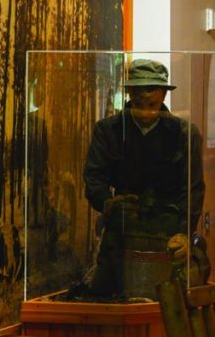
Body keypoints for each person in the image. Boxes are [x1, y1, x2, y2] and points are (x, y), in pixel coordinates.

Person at [82, 58, 206, 296]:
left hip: (167, 232)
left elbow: (193, 188)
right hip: (122, 229)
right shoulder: (108, 130)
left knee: (169, 301)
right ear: (129, 93)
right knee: (107, 294)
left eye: (151, 101)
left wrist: (184, 231)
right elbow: (94, 177)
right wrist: (107, 203)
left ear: (163, 95)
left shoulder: (183, 133)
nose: (145, 109)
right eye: (139, 100)